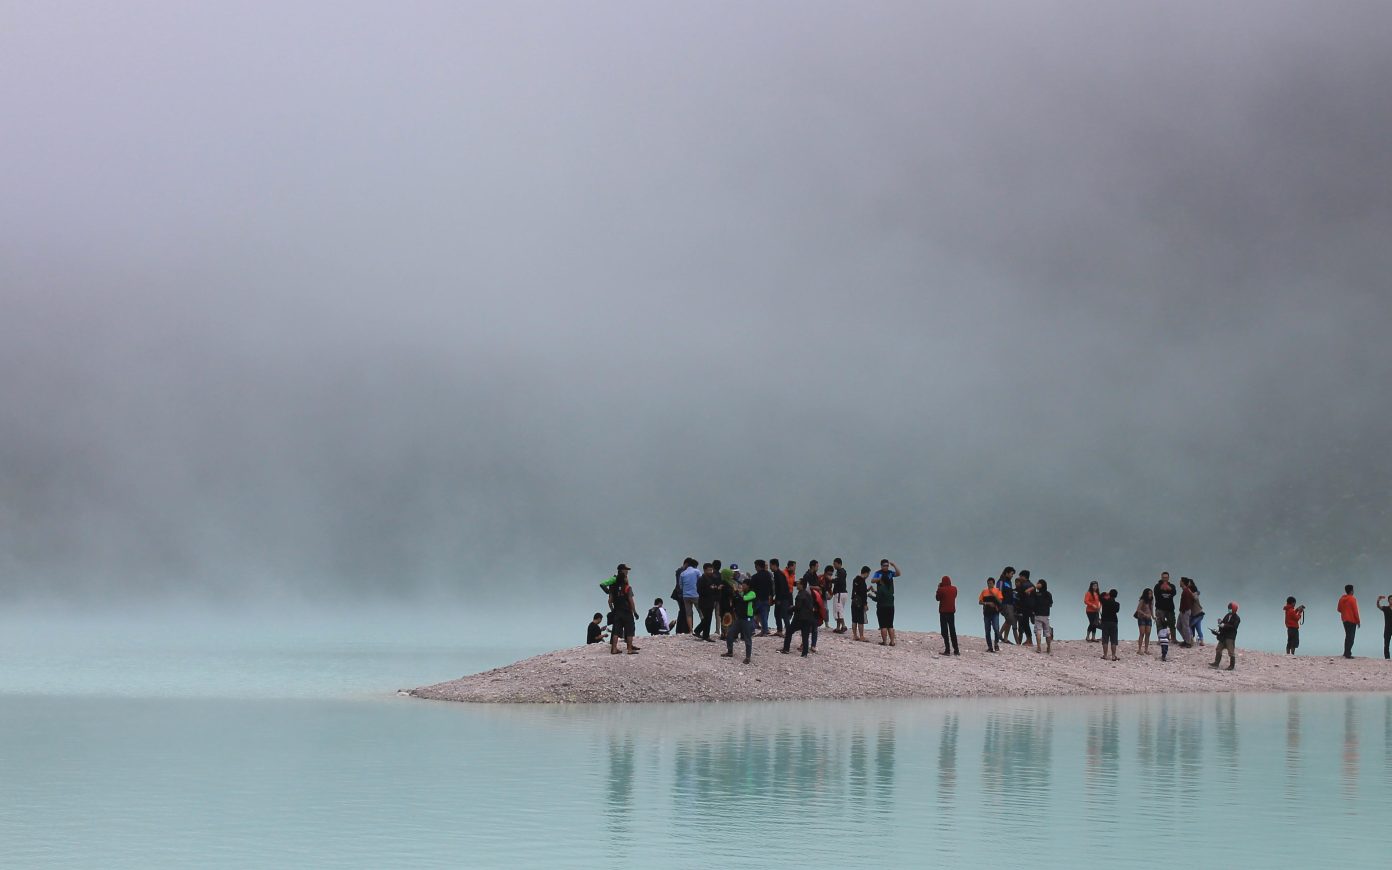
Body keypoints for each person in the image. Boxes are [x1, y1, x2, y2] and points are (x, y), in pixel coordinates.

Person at [721, 579, 757, 664]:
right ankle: (730, 652)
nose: (742, 586)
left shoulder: (752, 593)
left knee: (747, 638)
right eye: (742, 585)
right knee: (730, 634)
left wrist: (737, 592)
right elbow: (736, 599)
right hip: (739, 619)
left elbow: (744, 599)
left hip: (747, 619)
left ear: (748, 586)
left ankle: (748, 657)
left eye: (744, 585)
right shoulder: (742, 593)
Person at [781, 578, 819, 657]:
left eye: (798, 583)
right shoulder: (808, 594)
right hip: (808, 618)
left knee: (789, 632)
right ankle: (804, 653)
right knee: (805, 636)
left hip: (799, 618)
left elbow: (798, 607)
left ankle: (786, 649)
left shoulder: (800, 595)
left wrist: (790, 609)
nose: (796, 585)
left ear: (802, 585)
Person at [608, 571, 641, 655]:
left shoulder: (613, 588)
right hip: (627, 612)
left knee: (616, 631)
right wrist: (635, 612)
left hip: (617, 612)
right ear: (624, 579)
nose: (627, 578)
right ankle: (629, 649)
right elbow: (631, 601)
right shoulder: (627, 588)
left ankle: (614, 649)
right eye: (626, 577)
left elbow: (610, 601)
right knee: (629, 630)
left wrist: (612, 610)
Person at [869, 559, 899, 646]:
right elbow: (873, 581)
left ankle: (885, 641)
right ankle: (892, 641)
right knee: (890, 625)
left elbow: (878, 597)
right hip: (890, 605)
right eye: (884, 565)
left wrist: (871, 596)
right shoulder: (890, 589)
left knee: (883, 625)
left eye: (887, 565)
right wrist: (894, 565)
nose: (886, 567)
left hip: (882, 606)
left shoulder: (881, 585)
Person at [694, 563, 722, 641]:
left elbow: (716, 588)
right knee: (707, 619)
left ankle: (702, 633)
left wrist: (716, 589)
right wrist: (711, 589)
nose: (710, 571)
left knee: (708, 619)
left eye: (711, 570)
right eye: (708, 570)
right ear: (704, 570)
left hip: (711, 601)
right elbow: (699, 591)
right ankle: (703, 634)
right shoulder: (701, 579)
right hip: (703, 602)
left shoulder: (713, 578)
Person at [1209, 602, 1240, 670]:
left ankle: (1231, 666)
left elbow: (1234, 627)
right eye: (1229, 608)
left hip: (1230, 637)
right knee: (1218, 649)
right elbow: (1223, 623)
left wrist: (1224, 625)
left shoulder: (1237, 618)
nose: (1229, 609)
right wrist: (1220, 622)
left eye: (1230, 608)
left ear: (1234, 609)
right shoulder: (1227, 615)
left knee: (1231, 652)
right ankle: (1216, 663)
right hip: (1223, 636)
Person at [750, 560, 774, 636]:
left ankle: (752, 629)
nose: (755, 568)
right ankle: (765, 630)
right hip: (766, 598)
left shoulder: (755, 577)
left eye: (755, 566)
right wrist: (771, 596)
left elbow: (751, 588)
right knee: (764, 616)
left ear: (758, 566)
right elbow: (771, 587)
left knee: (751, 614)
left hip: (757, 599)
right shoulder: (768, 575)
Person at [936, 576, 959, 656]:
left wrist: (939, 588)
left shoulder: (941, 589)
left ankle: (947, 649)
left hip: (943, 612)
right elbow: (954, 596)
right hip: (951, 612)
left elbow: (937, 598)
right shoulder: (954, 589)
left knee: (944, 631)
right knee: (952, 631)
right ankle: (956, 650)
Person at [675, 558, 700, 634]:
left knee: (686, 613)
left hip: (684, 595)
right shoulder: (695, 571)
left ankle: (688, 630)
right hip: (693, 594)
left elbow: (680, 585)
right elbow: (701, 581)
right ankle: (686, 629)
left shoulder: (681, 572)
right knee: (699, 611)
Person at [771, 557, 793, 638]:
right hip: (781, 598)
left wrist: (779, 599)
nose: (770, 567)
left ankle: (788, 632)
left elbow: (782, 588)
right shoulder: (777, 573)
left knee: (784, 615)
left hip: (783, 599)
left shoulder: (779, 574)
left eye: (771, 565)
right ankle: (779, 630)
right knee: (777, 614)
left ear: (774, 565)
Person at [979, 578, 1003, 652]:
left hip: (995, 613)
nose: (989, 585)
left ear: (994, 584)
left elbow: (1000, 602)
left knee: (996, 629)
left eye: (991, 583)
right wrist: (987, 603)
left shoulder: (997, 591)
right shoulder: (984, 591)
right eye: (988, 583)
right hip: (986, 613)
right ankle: (990, 647)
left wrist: (993, 594)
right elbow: (980, 602)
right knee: (987, 630)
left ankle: (996, 644)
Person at [1015, 571, 1036, 649]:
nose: (1019, 578)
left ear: (1024, 577)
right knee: (1028, 623)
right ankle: (1029, 639)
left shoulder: (1023, 585)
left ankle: (1029, 640)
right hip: (1032, 607)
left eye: (1020, 576)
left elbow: (1019, 595)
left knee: (1025, 623)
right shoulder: (1032, 585)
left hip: (1025, 607)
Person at [1338, 585, 1360, 658]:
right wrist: (1358, 621)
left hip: (1344, 620)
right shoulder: (1352, 599)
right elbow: (1355, 611)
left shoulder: (1341, 599)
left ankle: (1346, 652)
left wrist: (1345, 611)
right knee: (1351, 637)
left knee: (1347, 636)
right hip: (1352, 620)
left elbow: (1339, 609)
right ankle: (1348, 653)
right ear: (1351, 591)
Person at [1153, 572, 1177, 639]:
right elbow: (1156, 594)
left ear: (1168, 578)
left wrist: (1169, 588)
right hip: (1160, 608)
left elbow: (1174, 593)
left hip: (1170, 609)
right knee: (1160, 625)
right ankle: (1161, 639)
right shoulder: (1157, 586)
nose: (1165, 579)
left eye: (1166, 577)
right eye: (1163, 577)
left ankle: (1173, 639)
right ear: (1161, 578)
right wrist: (1162, 587)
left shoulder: (1172, 586)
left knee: (1172, 624)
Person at [1033, 579, 1054, 654]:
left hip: (1038, 614)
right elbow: (1051, 604)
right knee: (1047, 632)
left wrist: (1035, 587)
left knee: (1038, 631)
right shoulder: (1048, 594)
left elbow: (1033, 602)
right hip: (1046, 615)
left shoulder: (1036, 594)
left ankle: (1039, 648)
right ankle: (1048, 648)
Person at [851, 566, 871, 642]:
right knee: (860, 620)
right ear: (866, 573)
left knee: (854, 620)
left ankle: (855, 635)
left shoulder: (855, 579)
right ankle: (861, 636)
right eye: (868, 574)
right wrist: (865, 604)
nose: (868, 576)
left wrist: (867, 590)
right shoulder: (862, 581)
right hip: (860, 603)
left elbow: (858, 591)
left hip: (854, 601)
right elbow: (863, 594)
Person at [1099, 588, 1120, 661]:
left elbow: (1100, 596)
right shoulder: (1117, 604)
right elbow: (1117, 611)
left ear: (1109, 594)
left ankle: (1105, 655)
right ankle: (1113, 656)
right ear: (1116, 596)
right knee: (1113, 639)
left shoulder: (1104, 601)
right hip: (1113, 622)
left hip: (1105, 621)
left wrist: (1106, 593)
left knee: (1105, 639)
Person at [997, 567, 1016, 644]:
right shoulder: (1001, 581)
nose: (1012, 576)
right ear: (1007, 573)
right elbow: (999, 592)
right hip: (1005, 603)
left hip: (1010, 603)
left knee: (1009, 621)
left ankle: (1005, 638)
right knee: (1009, 620)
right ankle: (999, 634)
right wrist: (1000, 604)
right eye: (1011, 574)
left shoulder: (1009, 582)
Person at [831, 558, 849, 633]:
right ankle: (838, 627)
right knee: (838, 610)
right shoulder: (841, 572)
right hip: (842, 593)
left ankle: (843, 626)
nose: (834, 566)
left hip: (839, 593)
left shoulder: (841, 572)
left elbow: (838, 581)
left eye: (835, 564)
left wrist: (831, 580)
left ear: (839, 564)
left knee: (838, 610)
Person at [1177, 578, 1196, 647]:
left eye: (1180, 581)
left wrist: (1185, 609)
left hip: (1185, 611)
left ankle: (1188, 642)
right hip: (1183, 611)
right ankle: (1187, 639)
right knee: (1179, 626)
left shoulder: (1186, 591)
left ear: (1183, 582)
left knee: (1185, 626)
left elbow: (1190, 601)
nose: (1179, 582)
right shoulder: (1186, 590)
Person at [1135, 588, 1154, 655]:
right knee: (1142, 633)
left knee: (1148, 633)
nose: (1151, 595)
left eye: (1151, 593)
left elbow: (1151, 609)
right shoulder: (1142, 600)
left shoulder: (1151, 600)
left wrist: (1153, 616)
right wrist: (1144, 614)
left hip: (1148, 618)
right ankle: (1139, 649)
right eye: (1149, 593)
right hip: (1142, 618)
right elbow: (1138, 609)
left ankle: (1146, 649)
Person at [1186, 579, 1205, 646]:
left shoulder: (1194, 595)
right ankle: (1201, 641)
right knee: (1198, 627)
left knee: (1189, 625)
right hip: (1198, 614)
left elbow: (1195, 598)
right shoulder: (1194, 594)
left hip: (1198, 614)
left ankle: (1191, 639)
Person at [1378, 594, 1392, 660]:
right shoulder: (1386, 608)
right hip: (1387, 629)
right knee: (1386, 645)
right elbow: (1379, 606)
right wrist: (1378, 600)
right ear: (1388, 601)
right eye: (1391, 599)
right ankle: (1387, 658)